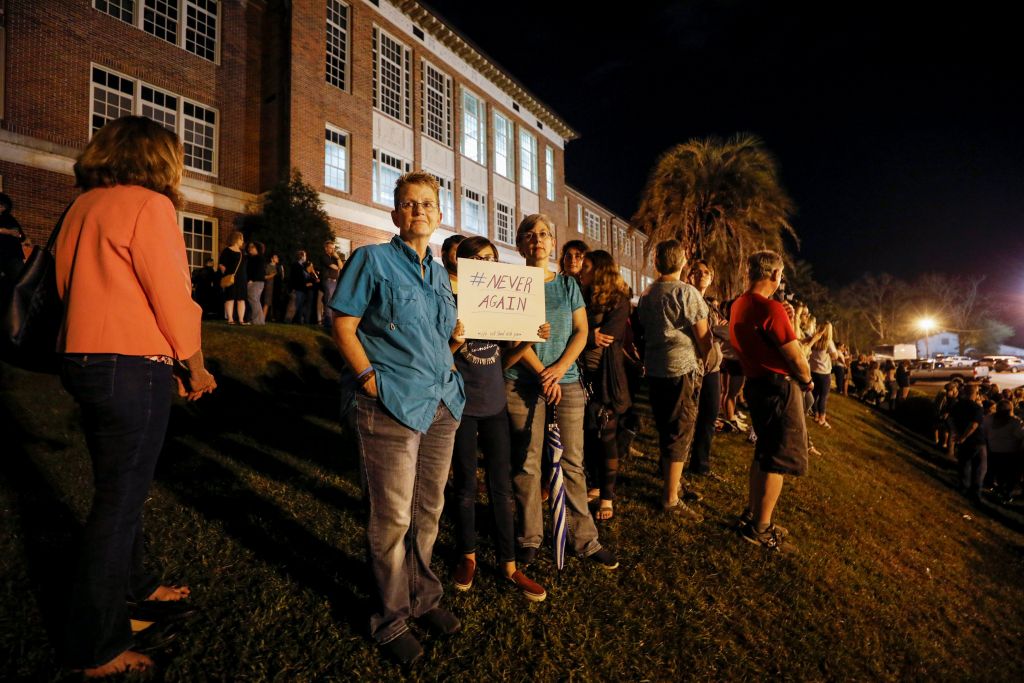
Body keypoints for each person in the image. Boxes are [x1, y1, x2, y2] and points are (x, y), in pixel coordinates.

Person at [54, 116, 216, 678]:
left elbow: (65, 287)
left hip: (83, 359)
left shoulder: (81, 205)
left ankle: (137, 589)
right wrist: (193, 365)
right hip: (130, 366)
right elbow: (171, 293)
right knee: (117, 506)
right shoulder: (151, 206)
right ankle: (94, 645)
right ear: (160, 159)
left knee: (118, 491)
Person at [330, 172, 465, 666]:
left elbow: (436, 339)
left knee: (428, 511)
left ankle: (423, 598)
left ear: (439, 215)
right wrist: (367, 377)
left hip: (441, 404)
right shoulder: (372, 260)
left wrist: (455, 343)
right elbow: (342, 323)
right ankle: (390, 620)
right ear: (395, 214)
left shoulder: (440, 276)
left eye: (427, 204)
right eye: (408, 204)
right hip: (389, 402)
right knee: (392, 517)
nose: (418, 211)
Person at [505, 214, 618, 570]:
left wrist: (558, 369)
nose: (537, 239)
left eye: (543, 234)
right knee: (527, 462)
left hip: (566, 382)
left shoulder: (568, 286)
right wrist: (541, 373)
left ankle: (584, 538)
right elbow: (509, 336)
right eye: (529, 234)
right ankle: (529, 537)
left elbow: (582, 332)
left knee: (573, 461)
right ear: (521, 244)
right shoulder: (510, 282)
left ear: (552, 243)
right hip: (522, 382)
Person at [447, 235, 549, 602]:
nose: (487, 262)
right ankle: (468, 555)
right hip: (461, 408)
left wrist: (528, 341)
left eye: (492, 257)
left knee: (501, 486)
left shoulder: (500, 304)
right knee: (465, 487)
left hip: (494, 407)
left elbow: (502, 361)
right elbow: (441, 360)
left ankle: (509, 564)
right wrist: (456, 339)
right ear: (463, 263)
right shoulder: (451, 302)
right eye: (478, 258)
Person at [729, 250, 808, 552]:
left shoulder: (739, 304)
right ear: (775, 275)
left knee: (763, 452)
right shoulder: (769, 309)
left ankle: (753, 513)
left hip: (756, 384)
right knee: (776, 458)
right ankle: (761, 528)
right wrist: (808, 380)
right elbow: (796, 356)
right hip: (778, 389)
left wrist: (790, 318)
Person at [634, 240, 711, 521]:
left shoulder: (647, 293)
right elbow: (703, 338)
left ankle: (673, 482)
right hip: (681, 369)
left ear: (656, 263)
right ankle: (670, 498)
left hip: (655, 369)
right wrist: (710, 359)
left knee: (666, 427)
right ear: (683, 262)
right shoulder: (686, 293)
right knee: (680, 430)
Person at [579, 249, 632, 521]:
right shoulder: (579, 295)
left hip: (605, 379)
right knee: (588, 435)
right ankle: (595, 484)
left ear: (599, 270)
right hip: (580, 376)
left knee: (607, 436)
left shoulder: (618, 301)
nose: (580, 270)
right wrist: (588, 334)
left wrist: (582, 334)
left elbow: (609, 336)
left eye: (586, 267)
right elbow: (569, 328)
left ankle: (607, 496)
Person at [686, 259, 724, 477]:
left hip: (712, 366)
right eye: (697, 271)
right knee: (687, 416)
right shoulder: (687, 297)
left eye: (706, 272)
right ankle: (674, 465)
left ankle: (700, 464)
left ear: (711, 278)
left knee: (709, 414)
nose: (702, 275)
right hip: (693, 366)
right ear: (689, 275)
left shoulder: (710, 305)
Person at [983, 399, 1024, 504]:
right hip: (1010, 451)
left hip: (994, 449)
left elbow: (985, 432)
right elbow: (1019, 436)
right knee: (1010, 474)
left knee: (998, 471)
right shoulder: (1014, 421)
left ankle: (999, 489)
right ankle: (1006, 494)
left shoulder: (988, 418)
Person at [951, 382, 986, 502]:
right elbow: (974, 424)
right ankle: (975, 492)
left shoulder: (957, 405)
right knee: (979, 468)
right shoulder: (977, 408)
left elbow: (951, 420)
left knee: (964, 464)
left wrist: (956, 433)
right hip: (976, 441)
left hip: (962, 440)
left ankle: (963, 487)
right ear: (975, 393)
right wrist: (964, 437)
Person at [809, 322, 838, 428]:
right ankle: (822, 418)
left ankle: (815, 414)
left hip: (813, 371)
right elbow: (834, 356)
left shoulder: (814, 339)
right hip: (824, 373)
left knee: (814, 394)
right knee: (823, 396)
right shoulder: (828, 342)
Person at [218, 231, 247, 324]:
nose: (242, 241)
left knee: (241, 299)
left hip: (241, 278)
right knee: (230, 298)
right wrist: (225, 273)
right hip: (231, 277)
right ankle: (230, 319)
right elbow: (221, 265)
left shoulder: (242, 253)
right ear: (236, 239)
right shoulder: (227, 250)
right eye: (241, 239)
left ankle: (241, 319)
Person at [0, 191, 26, 292]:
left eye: (2, 205)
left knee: (20, 282)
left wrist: (17, 234)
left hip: (13, 255)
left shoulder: (9, 219)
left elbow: (20, 235)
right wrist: (6, 231)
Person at [319, 239, 344, 329]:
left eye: (334, 248)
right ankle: (328, 322)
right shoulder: (324, 257)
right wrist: (337, 264)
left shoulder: (334, 258)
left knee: (330, 300)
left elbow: (341, 267)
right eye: (331, 248)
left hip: (334, 281)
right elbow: (335, 267)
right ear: (326, 248)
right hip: (328, 280)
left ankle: (329, 321)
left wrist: (337, 258)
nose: (333, 250)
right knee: (328, 300)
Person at [288, 249, 315, 324]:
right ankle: (289, 319)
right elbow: (296, 278)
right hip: (297, 288)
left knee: (300, 305)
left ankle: (299, 321)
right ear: (301, 256)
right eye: (305, 255)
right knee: (295, 305)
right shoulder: (296, 265)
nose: (306, 257)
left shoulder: (302, 266)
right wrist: (305, 284)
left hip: (302, 289)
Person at [245, 241, 267, 325]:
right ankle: (259, 321)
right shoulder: (251, 258)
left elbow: (259, 271)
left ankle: (258, 321)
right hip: (256, 282)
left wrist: (252, 280)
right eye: (249, 247)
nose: (249, 248)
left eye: (252, 247)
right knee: (255, 300)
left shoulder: (259, 258)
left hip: (256, 282)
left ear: (257, 248)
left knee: (253, 300)